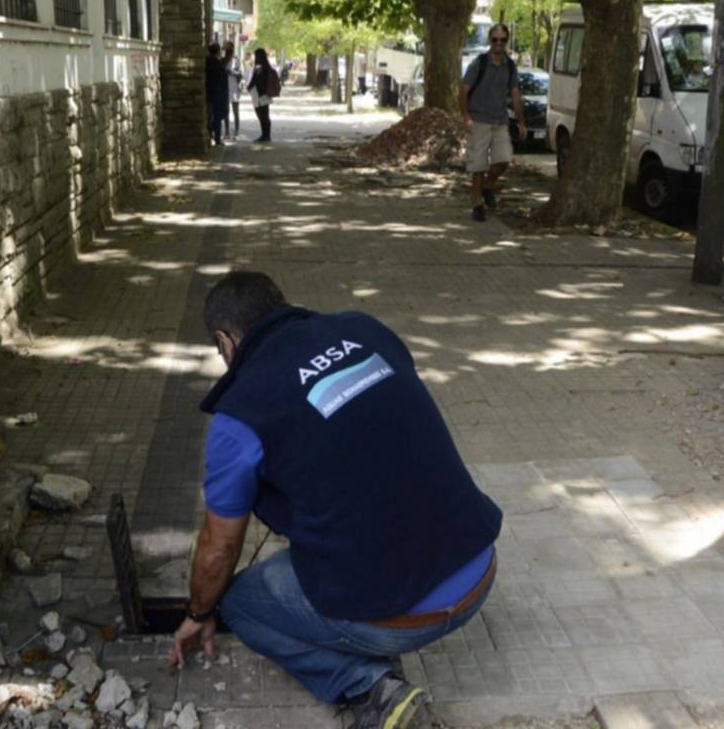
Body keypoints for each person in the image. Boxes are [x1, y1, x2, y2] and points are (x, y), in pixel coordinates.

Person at [168, 271, 503, 729]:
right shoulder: (364, 329)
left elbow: (219, 548)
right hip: (480, 565)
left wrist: (198, 612)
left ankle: (370, 686)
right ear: (280, 305)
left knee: (240, 602)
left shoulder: (239, 414)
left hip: (405, 619)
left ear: (225, 342)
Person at [460, 24, 526, 222]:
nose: (499, 43)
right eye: (495, 39)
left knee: (503, 160)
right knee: (478, 165)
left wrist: (522, 122)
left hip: (500, 121)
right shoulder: (478, 63)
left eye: (503, 40)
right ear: (490, 41)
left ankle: (488, 187)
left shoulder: (510, 65)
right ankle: (477, 204)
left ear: (507, 42)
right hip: (479, 120)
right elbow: (463, 91)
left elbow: (515, 94)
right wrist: (466, 116)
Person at [246, 48, 274, 143]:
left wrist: (249, 87)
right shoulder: (267, 65)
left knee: (262, 115)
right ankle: (267, 135)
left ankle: (265, 135)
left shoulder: (258, 66)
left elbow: (255, 78)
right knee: (265, 114)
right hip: (266, 92)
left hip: (260, 93)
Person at [205, 43, 229, 146]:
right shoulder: (215, 63)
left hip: (213, 91)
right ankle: (214, 135)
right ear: (217, 51)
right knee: (219, 115)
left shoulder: (211, 62)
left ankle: (212, 135)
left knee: (215, 115)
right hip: (218, 92)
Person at [223, 41, 243, 140]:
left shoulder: (236, 60)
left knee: (236, 111)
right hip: (225, 87)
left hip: (234, 87)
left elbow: (240, 73)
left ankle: (237, 131)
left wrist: (232, 73)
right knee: (226, 111)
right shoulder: (223, 60)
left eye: (228, 48)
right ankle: (227, 131)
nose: (227, 50)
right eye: (226, 49)